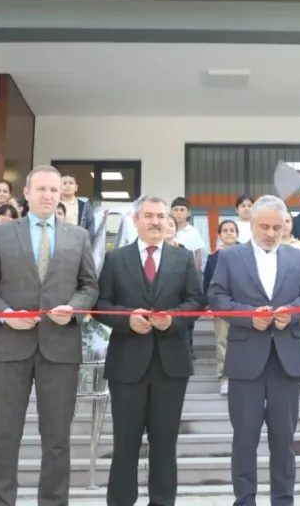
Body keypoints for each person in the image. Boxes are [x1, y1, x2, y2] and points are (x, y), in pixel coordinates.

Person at [0, 165, 99, 506]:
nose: (48, 196)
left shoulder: (78, 236)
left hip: (60, 347)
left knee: (57, 438)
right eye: (41, 189)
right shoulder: (1, 234)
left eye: (54, 190)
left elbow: (89, 286)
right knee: (4, 435)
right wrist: (6, 314)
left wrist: (74, 308)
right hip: (9, 347)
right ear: (26, 193)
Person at [207, 195, 300, 506]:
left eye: (277, 227)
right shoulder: (230, 257)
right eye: (264, 227)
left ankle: (283, 500)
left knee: (284, 440)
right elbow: (216, 298)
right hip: (245, 360)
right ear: (251, 224)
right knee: (244, 439)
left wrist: (291, 313)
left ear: (285, 226)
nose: (270, 233)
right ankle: (245, 500)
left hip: (286, 360)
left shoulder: (298, 257)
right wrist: (248, 317)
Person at [94, 195, 206, 506]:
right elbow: (100, 304)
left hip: (171, 365)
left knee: (165, 444)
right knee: (125, 443)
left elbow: (197, 301)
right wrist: (127, 319)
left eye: (161, 216)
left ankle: (162, 501)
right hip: (127, 366)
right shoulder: (116, 259)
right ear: (136, 220)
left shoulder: (182, 258)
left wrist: (174, 319)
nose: (155, 222)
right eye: (148, 216)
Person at [204, 218, 242, 396]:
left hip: (243, 306)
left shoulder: (246, 253)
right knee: (222, 342)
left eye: (232, 230)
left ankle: (242, 376)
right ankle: (224, 377)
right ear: (219, 235)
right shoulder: (213, 257)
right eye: (225, 230)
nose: (229, 233)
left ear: (237, 234)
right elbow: (208, 283)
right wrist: (209, 305)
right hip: (221, 306)